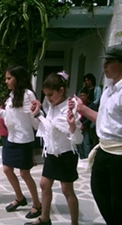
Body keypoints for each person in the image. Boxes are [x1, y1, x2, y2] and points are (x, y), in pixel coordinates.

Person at [70, 43, 122, 225]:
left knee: (118, 203)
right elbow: (103, 120)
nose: (104, 66)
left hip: (119, 156)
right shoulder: (109, 90)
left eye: (109, 62)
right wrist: (82, 108)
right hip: (104, 151)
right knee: (100, 193)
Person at [25, 71, 83, 225]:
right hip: (52, 152)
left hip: (66, 154)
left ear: (61, 91)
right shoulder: (52, 106)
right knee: (44, 184)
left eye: (51, 94)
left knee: (67, 189)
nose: (48, 98)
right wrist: (38, 114)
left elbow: (74, 136)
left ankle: (74, 223)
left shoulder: (70, 108)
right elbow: (46, 127)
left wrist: (40, 115)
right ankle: (45, 218)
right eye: (46, 95)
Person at [0, 66, 42, 218]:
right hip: (11, 139)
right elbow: (9, 115)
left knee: (24, 173)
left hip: (24, 140)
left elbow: (34, 117)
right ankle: (20, 198)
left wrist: (38, 114)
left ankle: (37, 204)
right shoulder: (12, 96)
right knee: (7, 169)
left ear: (18, 78)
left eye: (9, 78)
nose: (6, 81)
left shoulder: (28, 94)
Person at [77, 87, 97, 159]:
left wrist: (84, 124)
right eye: (81, 96)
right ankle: (81, 158)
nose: (82, 97)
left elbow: (89, 118)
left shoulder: (91, 105)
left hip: (86, 128)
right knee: (79, 145)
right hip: (79, 126)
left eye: (84, 95)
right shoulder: (79, 104)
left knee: (86, 144)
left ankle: (87, 159)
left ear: (87, 95)